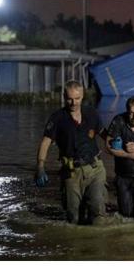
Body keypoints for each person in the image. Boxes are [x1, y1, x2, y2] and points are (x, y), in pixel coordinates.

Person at [34, 81, 107, 225]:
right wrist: (40, 167)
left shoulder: (91, 113)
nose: (73, 102)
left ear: (83, 96)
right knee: (73, 218)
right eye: (69, 98)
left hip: (95, 169)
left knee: (98, 214)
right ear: (63, 97)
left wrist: (118, 143)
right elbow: (45, 143)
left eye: (77, 98)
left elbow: (105, 134)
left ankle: (98, 244)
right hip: (71, 173)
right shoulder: (57, 118)